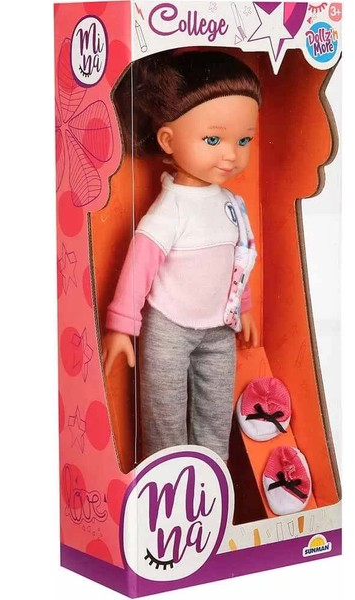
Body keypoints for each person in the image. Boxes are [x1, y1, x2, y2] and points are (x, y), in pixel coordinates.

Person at [102, 50, 261, 462]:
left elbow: (237, 261)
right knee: (164, 419)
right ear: (169, 140)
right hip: (168, 329)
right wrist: (121, 326)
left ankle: (212, 480)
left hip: (219, 328)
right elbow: (139, 267)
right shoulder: (170, 210)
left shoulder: (231, 204)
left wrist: (242, 306)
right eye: (214, 140)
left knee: (215, 416)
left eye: (244, 140)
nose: (231, 154)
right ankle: (166, 480)